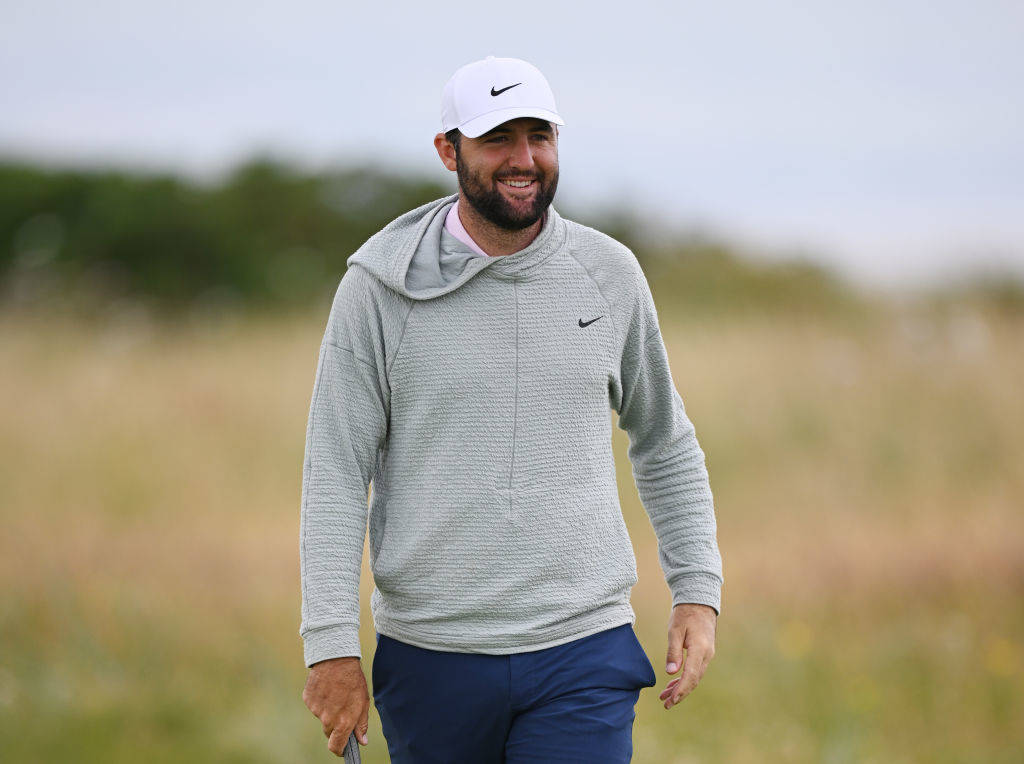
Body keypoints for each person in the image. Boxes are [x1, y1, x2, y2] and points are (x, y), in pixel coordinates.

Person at [300, 55, 723, 762]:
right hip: (432, 654)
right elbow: (337, 470)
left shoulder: (609, 273)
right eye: (498, 138)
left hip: (582, 651)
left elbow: (664, 441)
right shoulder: (377, 288)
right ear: (448, 150)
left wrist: (697, 591)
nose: (523, 159)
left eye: (540, 136)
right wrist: (332, 645)